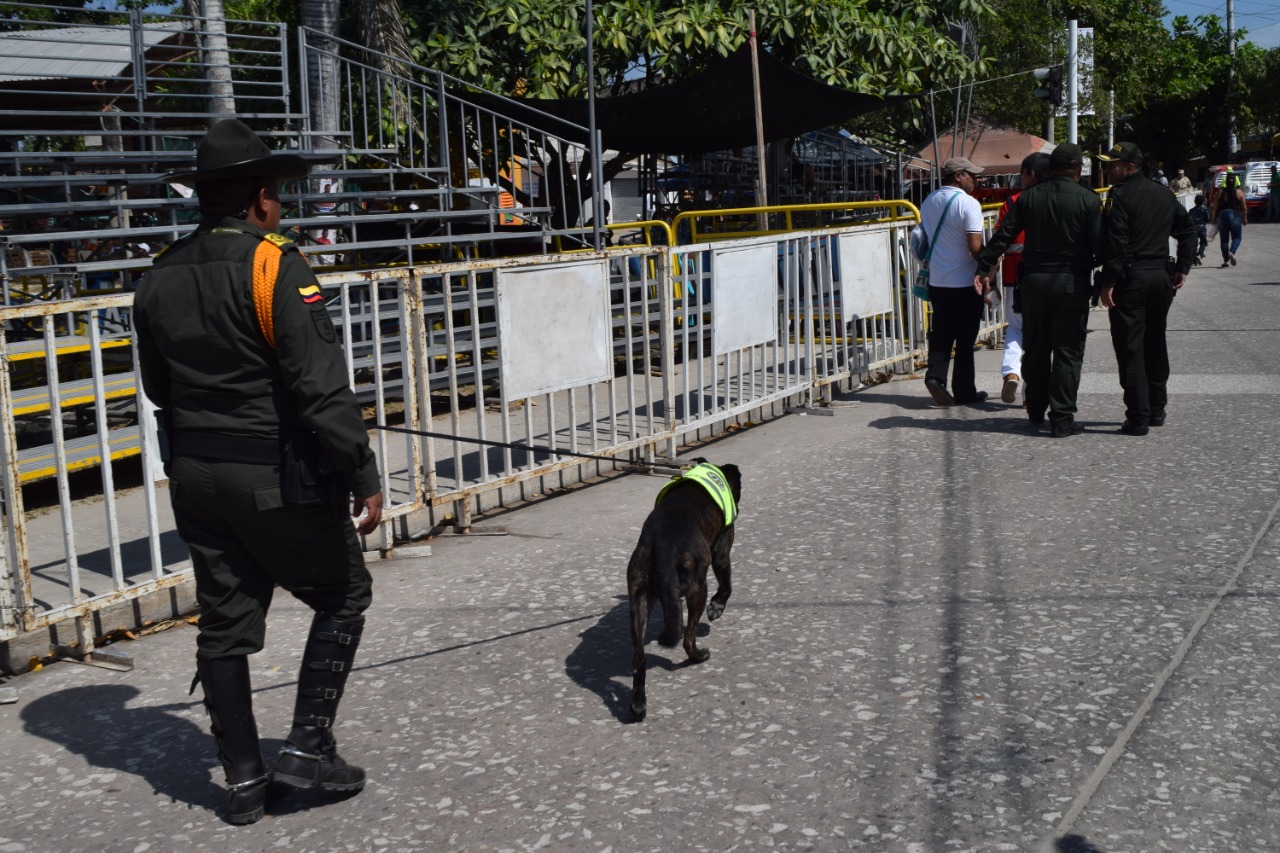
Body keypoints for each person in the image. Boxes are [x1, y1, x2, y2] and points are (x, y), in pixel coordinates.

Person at [133, 118, 384, 825]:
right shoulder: (275, 263)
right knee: (343, 592)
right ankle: (305, 748)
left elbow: (159, 387)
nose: (278, 202)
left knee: (224, 621)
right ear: (254, 199)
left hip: (197, 476)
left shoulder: (158, 275)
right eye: (272, 190)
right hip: (275, 474)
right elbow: (320, 388)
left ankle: (243, 781)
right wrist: (362, 471)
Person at [974, 143, 1104, 437]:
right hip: (1071, 281)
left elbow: (1002, 237)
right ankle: (1061, 417)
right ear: (1077, 169)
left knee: (1035, 346)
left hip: (1032, 282)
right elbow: (1101, 245)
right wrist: (1107, 276)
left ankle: (1035, 408)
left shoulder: (1027, 198)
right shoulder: (1088, 199)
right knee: (1068, 351)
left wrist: (983, 269)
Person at [1095, 141, 1197, 436]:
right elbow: (1188, 231)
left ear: (1130, 167)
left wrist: (1108, 281)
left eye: (1113, 165)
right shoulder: (1163, 194)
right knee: (1155, 342)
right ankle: (1157, 408)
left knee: (1130, 347)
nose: (1108, 169)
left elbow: (1117, 243)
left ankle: (1138, 416)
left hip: (1131, 280)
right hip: (1160, 278)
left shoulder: (1120, 196)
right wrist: (1182, 267)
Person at [920, 156, 989, 407]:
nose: (976, 179)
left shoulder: (929, 201)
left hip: (938, 280)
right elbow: (974, 246)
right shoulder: (968, 204)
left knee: (941, 333)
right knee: (965, 340)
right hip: (965, 282)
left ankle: (935, 377)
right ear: (958, 175)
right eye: (971, 174)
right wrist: (989, 264)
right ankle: (964, 391)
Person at [985, 151, 1051, 405]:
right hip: (1049, 276)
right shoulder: (1055, 199)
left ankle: (1011, 372)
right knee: (1040, 335)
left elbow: (999, 244)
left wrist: (989, 280)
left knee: (1015, 327)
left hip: (1015, 276)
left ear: (1030, 174)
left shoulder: (1012, 203)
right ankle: (1030, 392)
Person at [1210, 170, 1246, 267]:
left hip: (1222, 216)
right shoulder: (1239, 192)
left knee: (1224, 240)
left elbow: (1214, 207)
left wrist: (1213, 218)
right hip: (1235, 216)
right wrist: (1245, 218)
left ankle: (1226, 260)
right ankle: (1232, 252)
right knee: (1237, 237)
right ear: (1235, 182)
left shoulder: (1220, 192)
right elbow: (1244, 207)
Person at [1188, 193, 1210, 265]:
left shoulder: (1191, 210)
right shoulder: (1204, 209)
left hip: (1193, 228)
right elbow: (1207, 218)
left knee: (1194, 244)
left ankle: (1193, 259)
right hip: (1201, 227)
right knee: (1203, 242)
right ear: (1203, 202)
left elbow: (1188, 220)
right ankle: (1199, 255)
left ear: (1195, 201)